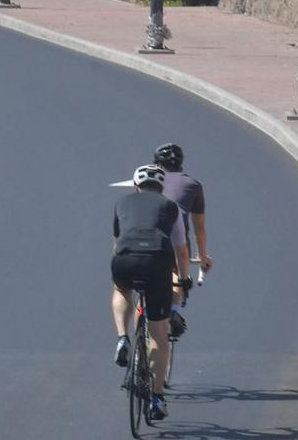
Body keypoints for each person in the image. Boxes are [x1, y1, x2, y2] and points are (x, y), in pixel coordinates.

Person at [112, 163, 190, 423]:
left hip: (125, 260)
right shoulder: (170, 208)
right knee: (159, 333)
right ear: (162, 187)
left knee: (121, 290)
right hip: (157, 262)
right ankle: (157, 397)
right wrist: (184, 279)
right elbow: (180, 250)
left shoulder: (122, 204)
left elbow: (117, 244)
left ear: (136, 187)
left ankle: (123, 338)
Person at [153, 142, 209, 389]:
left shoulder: (149, 181)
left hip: (142, 240)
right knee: (178, 273)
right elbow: (199, 228)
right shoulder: (193, 185)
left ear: (157, 165)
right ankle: (174, 312)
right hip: (177, 241)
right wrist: (204, 256)